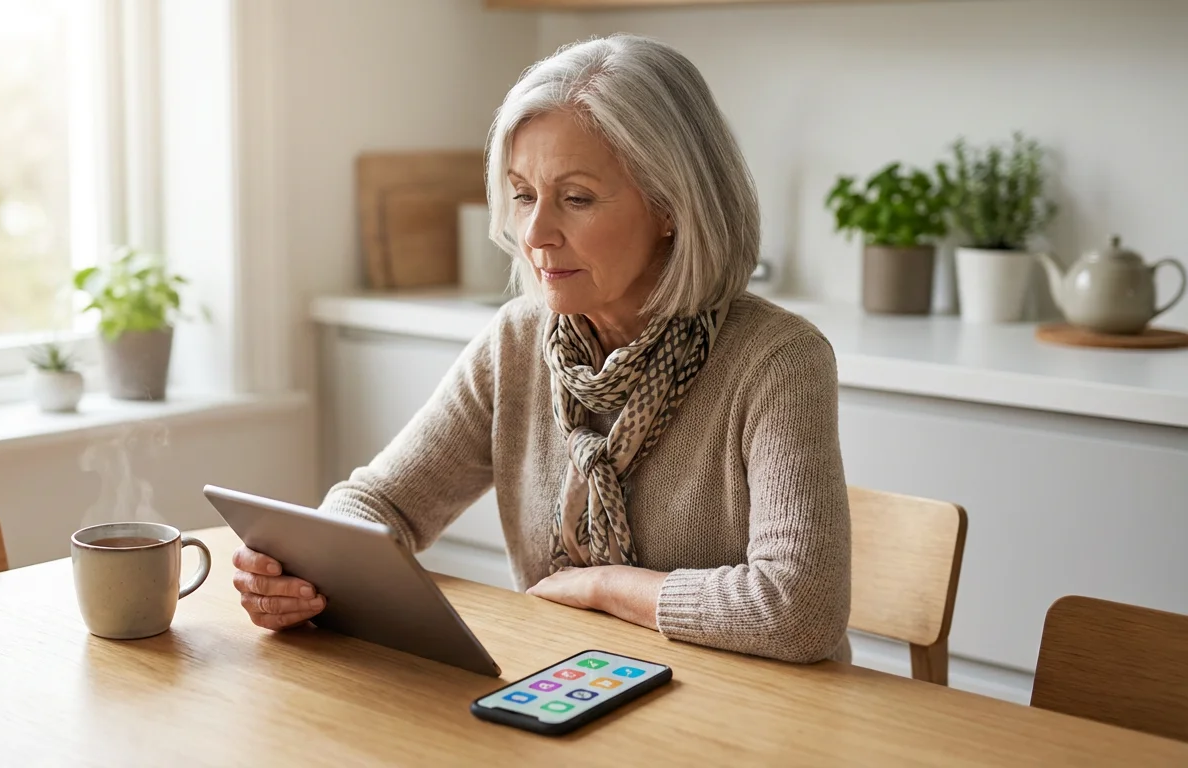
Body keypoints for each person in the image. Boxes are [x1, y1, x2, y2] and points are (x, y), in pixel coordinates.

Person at [233, 34, 852, 664]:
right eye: (524, 194)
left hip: (749, 717)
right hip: (571, 688)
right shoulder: (519, 340)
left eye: (577, 198)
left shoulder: (778, 360)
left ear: (671, 205)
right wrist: (304, 574)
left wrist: (604, 584)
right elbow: (381, 501)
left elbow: (797, 610)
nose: (534, 234)